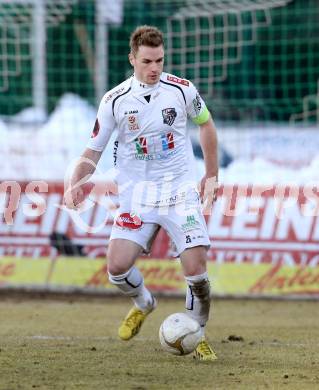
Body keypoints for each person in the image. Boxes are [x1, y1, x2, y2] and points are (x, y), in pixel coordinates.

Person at [64, 25, 219, 361]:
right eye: (147, 61)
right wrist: (76, 182)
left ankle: (196, 330)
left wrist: (211, 175)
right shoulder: (115, 100)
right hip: (138, 198)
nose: (155, 68)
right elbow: (93, 151)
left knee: (197, 272)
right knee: (117, 268)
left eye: (160, 60)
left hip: (179, 193)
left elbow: (206, 124)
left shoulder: (182, 90)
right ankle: (144, 303)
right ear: (132, 58)